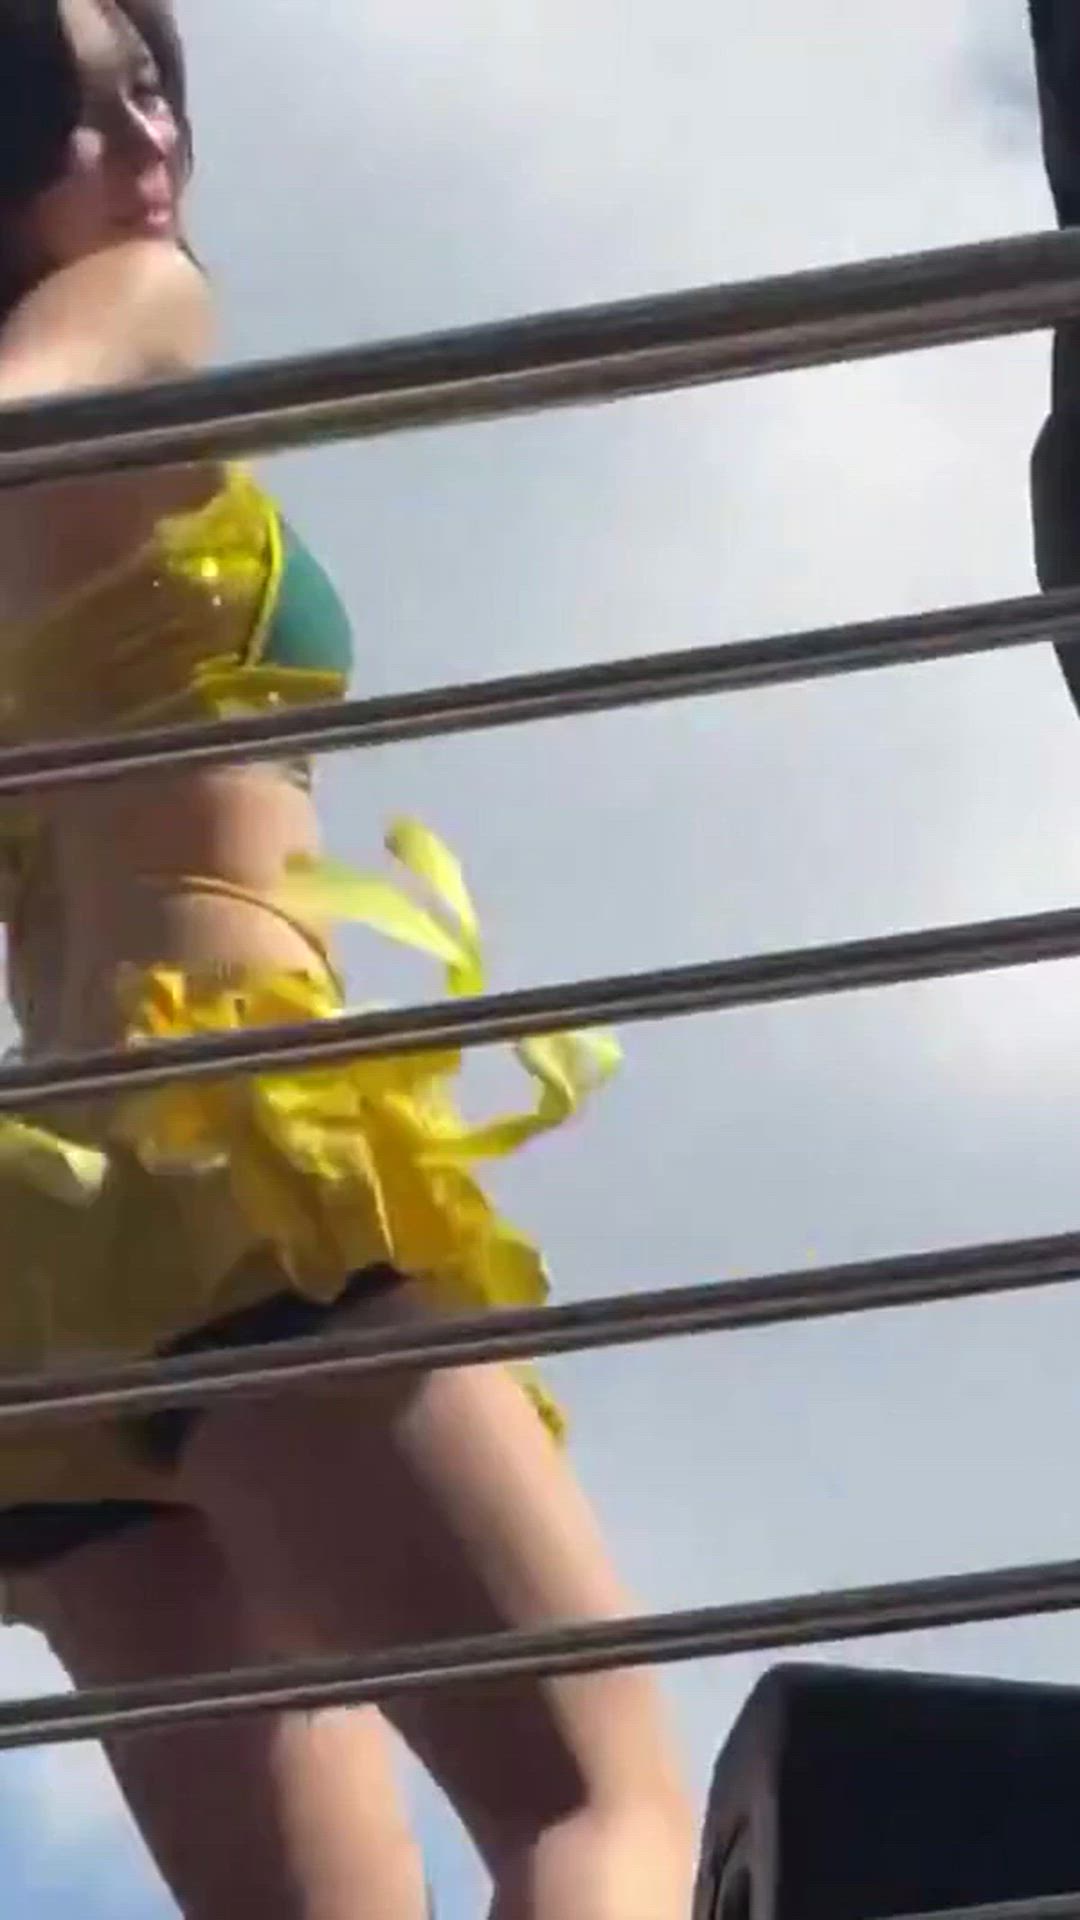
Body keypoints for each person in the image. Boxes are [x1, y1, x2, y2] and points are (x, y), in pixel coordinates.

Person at [0, 3, 695, 1916]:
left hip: (51, 1246)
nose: (142, 143)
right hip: (226, 1137)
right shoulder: (141, 303)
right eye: (67, 111)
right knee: (594, 1804)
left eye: (154, 86)